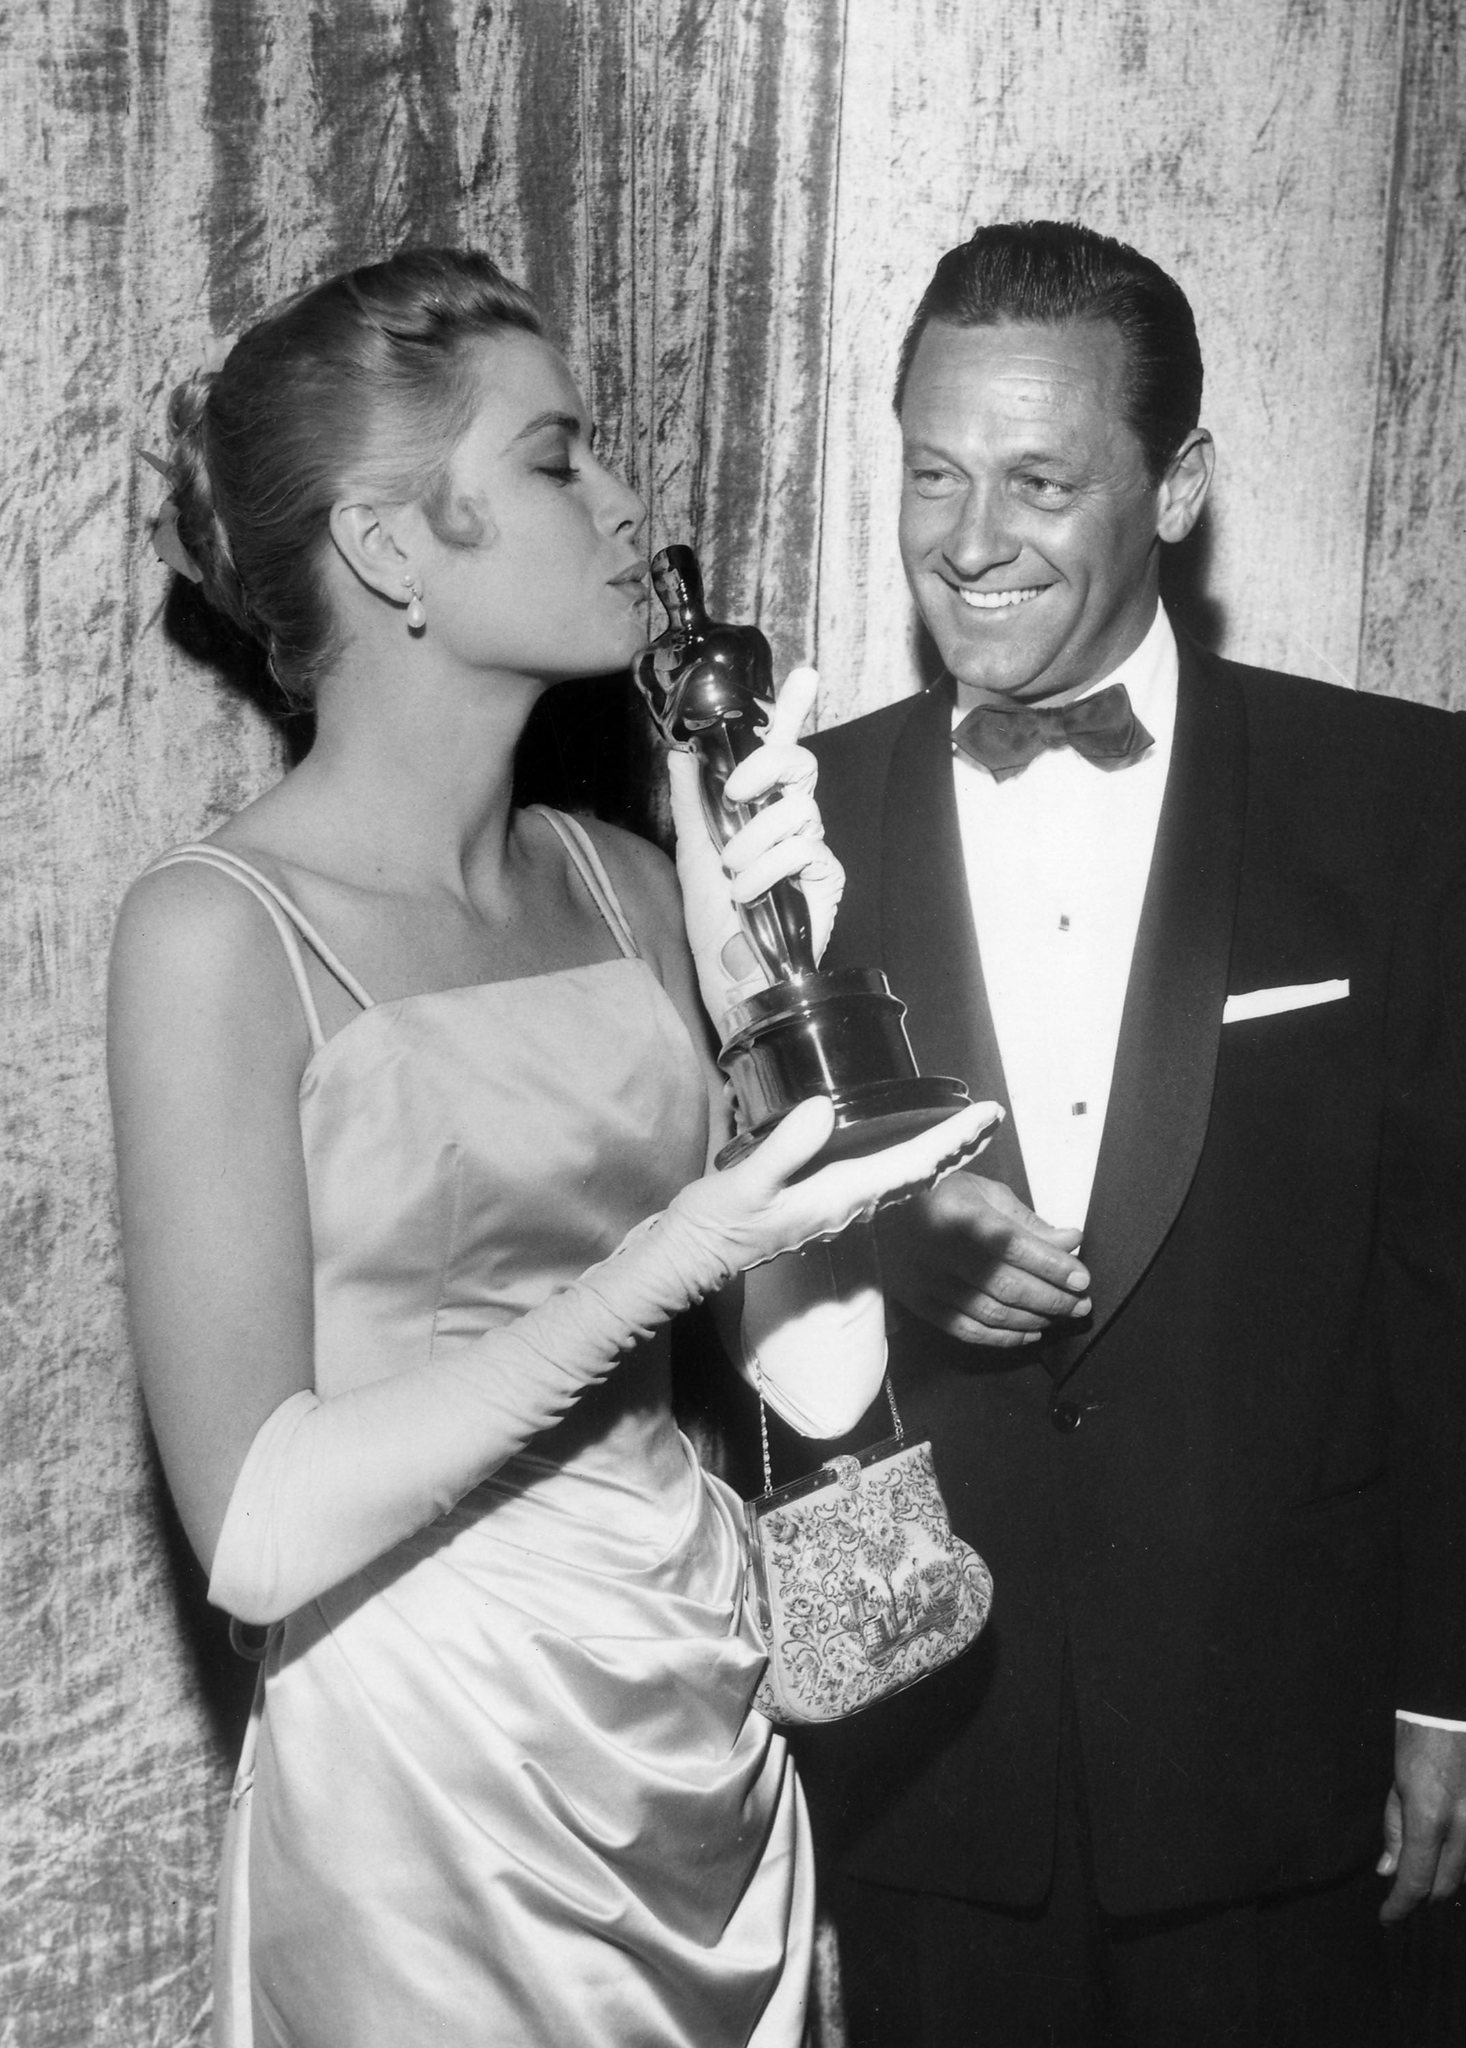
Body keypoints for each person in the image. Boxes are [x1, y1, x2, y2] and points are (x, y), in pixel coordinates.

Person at [107, 246, 998, 2048]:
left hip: (691, 1724)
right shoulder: (215, 932)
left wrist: (773, 1022)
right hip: (426, 1786)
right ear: (386, 546)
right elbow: (258, 1531)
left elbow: (816, 1393)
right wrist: (665, 1260)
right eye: (554, 459)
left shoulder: (624, 880)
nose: (620, 503)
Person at [785, 221, 1466, 2046]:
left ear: (1178, 487)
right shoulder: (788, 825)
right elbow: (709, 1261)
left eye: (1040, 481)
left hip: (1288, 1773)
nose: (968, 542)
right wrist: (884, 1255)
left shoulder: (1393, 791)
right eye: (932, 473)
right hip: (922, 1772)